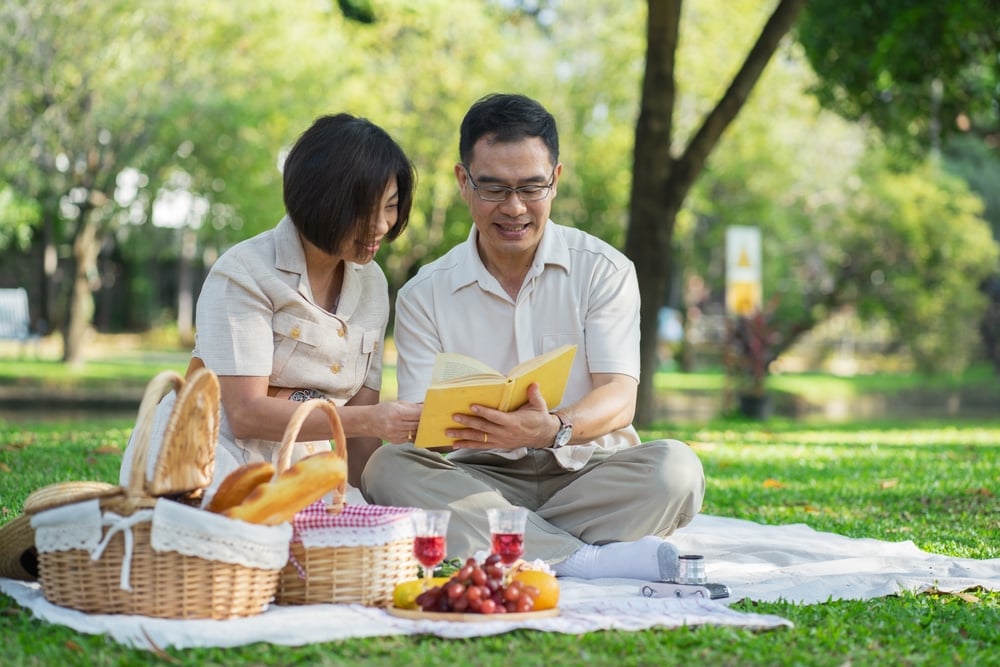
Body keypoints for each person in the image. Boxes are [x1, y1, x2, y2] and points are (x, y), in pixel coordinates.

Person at [361, 94, 705, 581]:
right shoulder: (424, 293)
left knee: (677, 470)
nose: (515, 208)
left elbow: (619, 396)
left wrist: (552, 428)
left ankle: (511, 541)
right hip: (478, 478)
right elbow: (425, 439)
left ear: (556, 181)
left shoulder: (603, 270)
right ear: (464, 182)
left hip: (589, 471)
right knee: (388, 468)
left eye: (531, 187)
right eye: (494, 188)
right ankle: (585, 560)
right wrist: (453, 425)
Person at [120, 113, 422, 493]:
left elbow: (362, 432)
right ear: (319, 202)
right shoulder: (244, 273)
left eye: (391, 206)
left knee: (356, 532)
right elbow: (245, 414)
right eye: (364, 211)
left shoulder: (373, 282)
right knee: (250, 535)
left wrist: (371, 509)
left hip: (300, 463)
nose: (381, 225)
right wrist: (372, 420)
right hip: (203, 457)